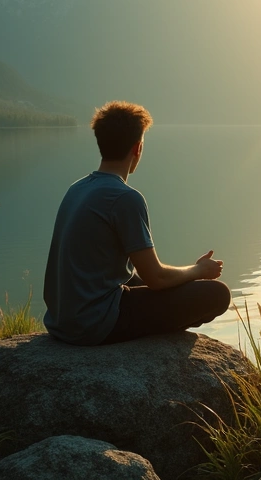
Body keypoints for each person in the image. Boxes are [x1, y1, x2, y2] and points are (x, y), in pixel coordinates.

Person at [43, 101, 232, 345]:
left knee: (142, 279)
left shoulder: (77, 188)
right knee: (218, 295)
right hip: (94, 325)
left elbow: (140, 275)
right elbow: (157, 278)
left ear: (101, 143)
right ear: (138, 148)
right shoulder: (125, 198)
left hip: (62, 322)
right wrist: (199, 271)